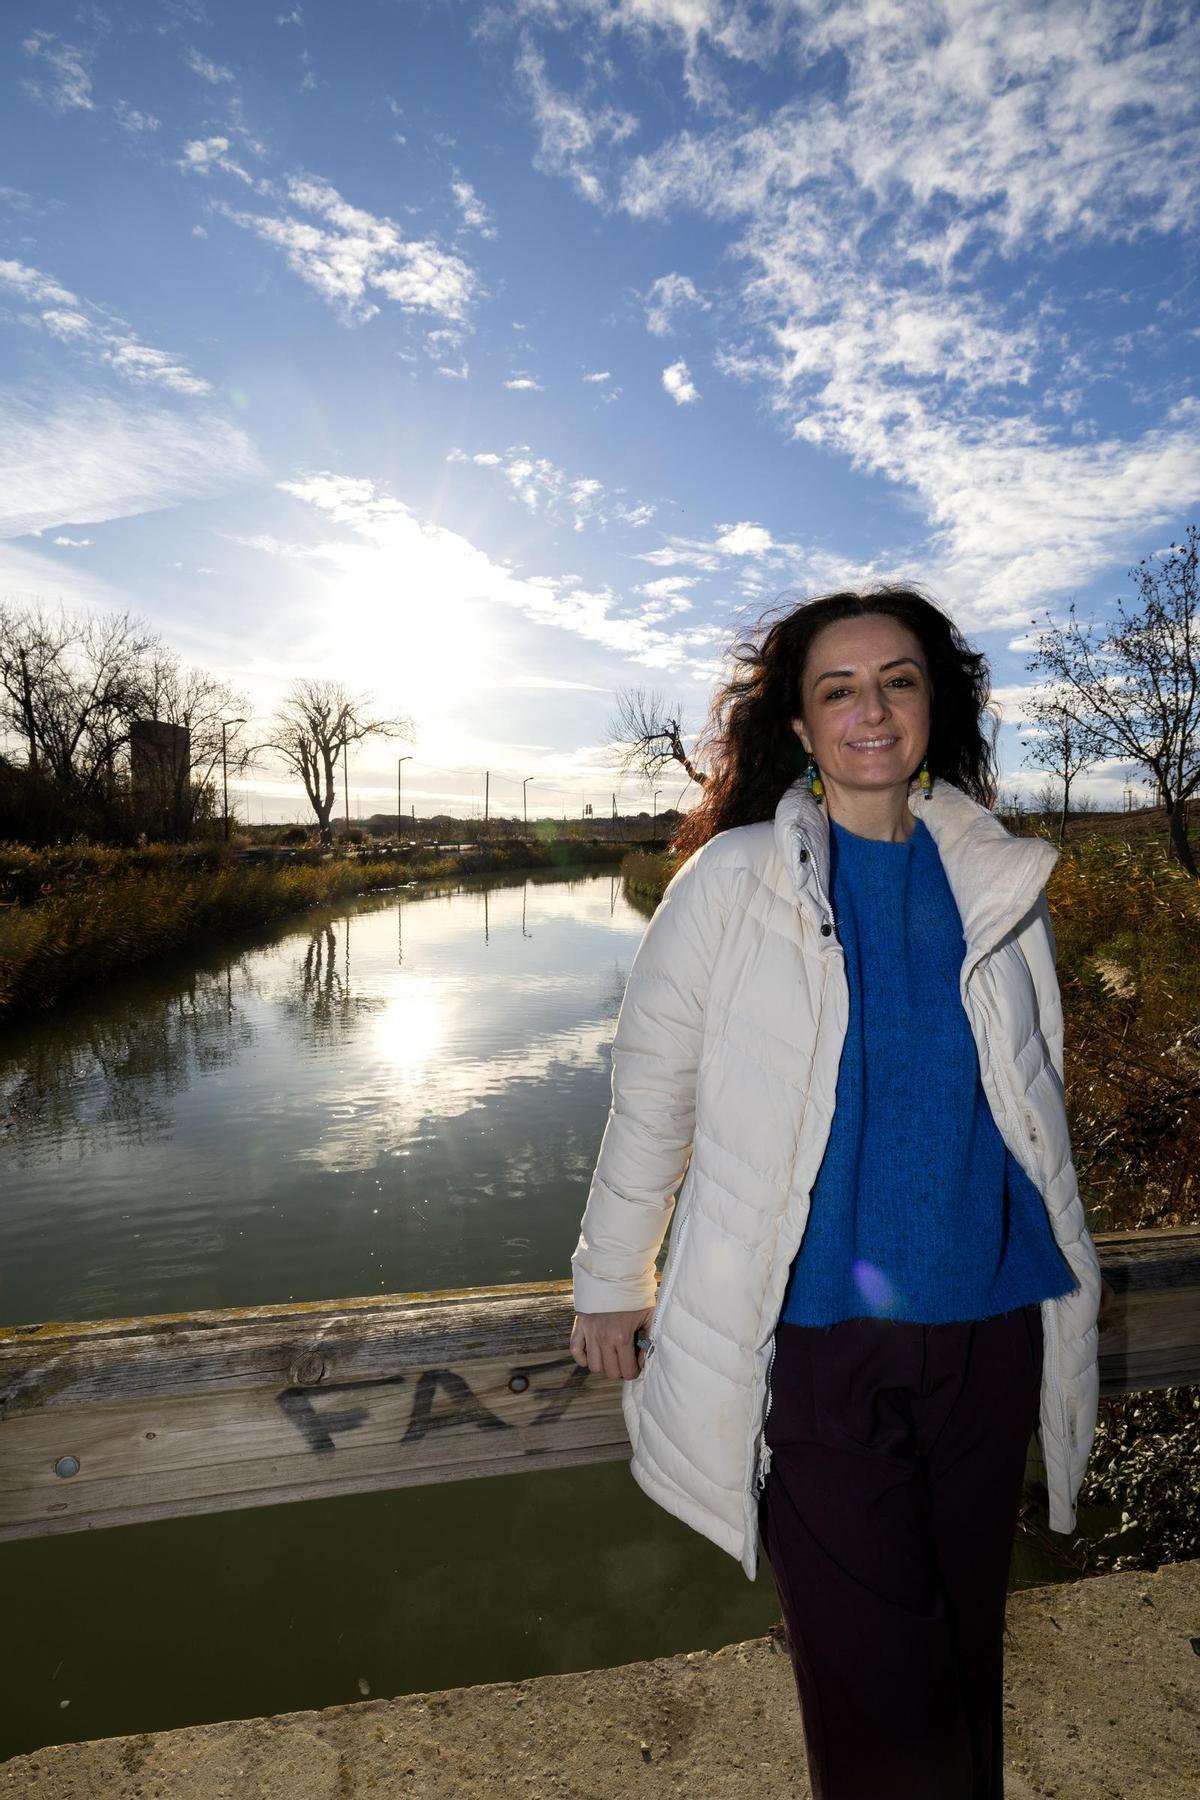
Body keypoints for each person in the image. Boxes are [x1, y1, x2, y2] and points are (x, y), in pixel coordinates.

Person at [568, 585, 1112, 1800]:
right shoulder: (733, 882)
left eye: (901, 680)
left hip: (989, 1328)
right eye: (838, 688)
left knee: (967, 1647)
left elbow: (1036, 1100)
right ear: (801, 728)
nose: (873, 708)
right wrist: (612, 1278)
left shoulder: (998, 879)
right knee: (878, 1697)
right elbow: (654, 1088)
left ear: (937, 706)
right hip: (816, 1348)